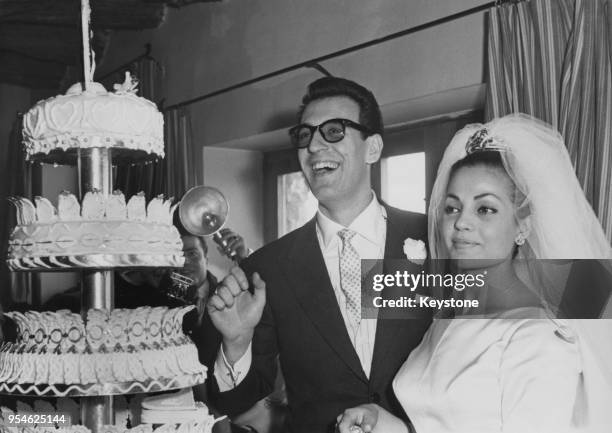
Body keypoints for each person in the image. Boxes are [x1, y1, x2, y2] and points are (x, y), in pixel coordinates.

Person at [337, 114, 612, 433]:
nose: (461, 222)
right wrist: (386, 424)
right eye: (453, 207)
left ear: (522, 224)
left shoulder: (539, 339)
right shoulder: (448, 319)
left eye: (485, 209)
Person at [207, 77, 431, 433]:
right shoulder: (268, 268)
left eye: (333, 131)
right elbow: (233, 403)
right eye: (305, 135)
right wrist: (237, 344)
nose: (314, 146)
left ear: (372, 148)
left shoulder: (434, 241)